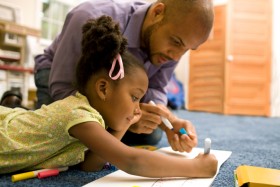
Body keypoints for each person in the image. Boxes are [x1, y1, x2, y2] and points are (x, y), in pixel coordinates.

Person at [0, 16, 218, 178]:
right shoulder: (77, 114)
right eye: (134, 98)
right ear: (103, 89)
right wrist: (195, 168)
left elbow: (90, 165)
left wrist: (124, 125)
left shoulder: (89, 119)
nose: (138, 108)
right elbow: (131, 160)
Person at [34, 0, 214, 147]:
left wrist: (166, 119)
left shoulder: (172, 51)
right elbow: (62, 88)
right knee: (60, 139)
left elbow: (156, 88)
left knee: (150, 136)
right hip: (60, 75)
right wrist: (124, 115)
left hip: (116, 93)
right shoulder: (89, 16)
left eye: (187, 49)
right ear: (157, 12)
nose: (176, 56)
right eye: (175, 41)